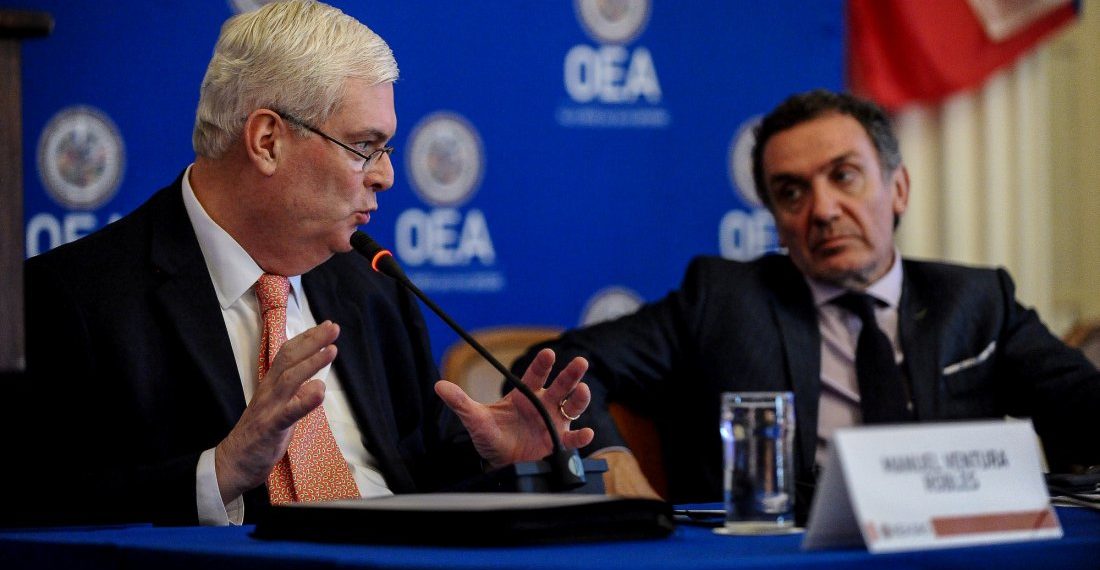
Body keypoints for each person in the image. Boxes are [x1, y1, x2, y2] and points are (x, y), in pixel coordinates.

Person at [15, 0, 592, 526]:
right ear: (267, 141)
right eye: (365, 147)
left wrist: (496, 461)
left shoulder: (374, 288)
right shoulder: (74, 300)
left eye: (386, 149)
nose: (387, 175)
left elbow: (419, 477)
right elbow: (38, 510)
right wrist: (219, 472)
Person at [514, 89, 1100, 514]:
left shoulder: (977, 301)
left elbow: (1082, 404)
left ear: (897, 189)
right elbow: (551, 362)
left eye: (844, 176)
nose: (821, 210)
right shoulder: (721, 299)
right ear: (774, 217)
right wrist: (608, 453)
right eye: (791, 193)